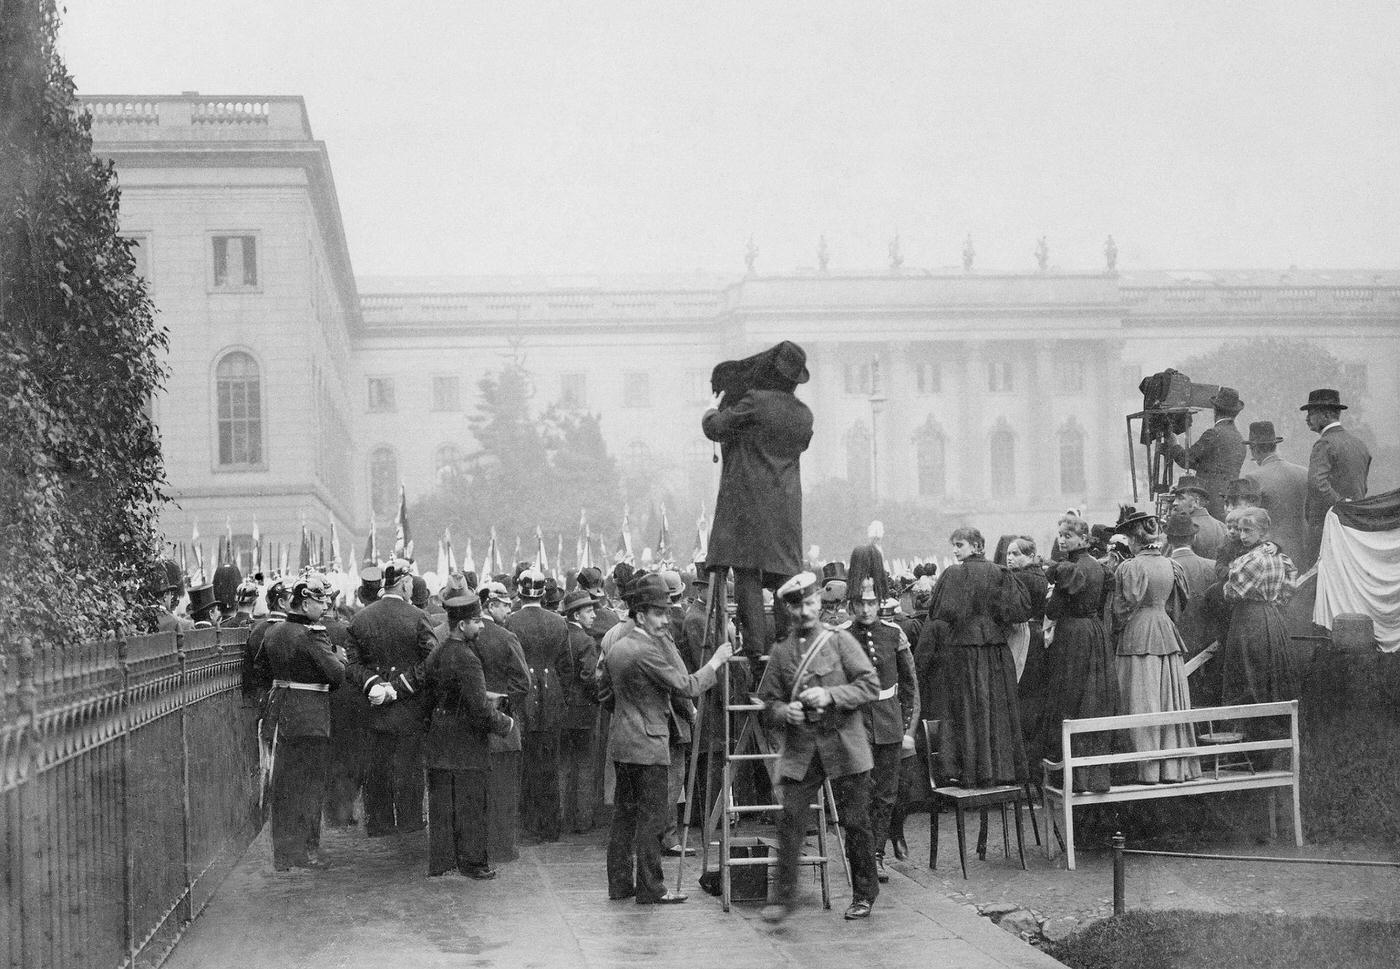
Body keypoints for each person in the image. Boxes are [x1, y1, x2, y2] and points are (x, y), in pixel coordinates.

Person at [597, 573, 731, 905]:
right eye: (658, 613)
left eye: (666, 612)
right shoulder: (648, 650)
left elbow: (605, 694)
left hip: (623, 743)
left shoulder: (618, 647)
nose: (665, 619)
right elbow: (687, 686)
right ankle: (652, 888)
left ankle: (620, 885)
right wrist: (716, 661)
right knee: (652, 819)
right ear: (641, 615)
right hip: (650, 745)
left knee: (624, 817)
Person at [758, 572, 880, 922]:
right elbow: (767, 704)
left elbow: (870, 685)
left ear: (818, 601)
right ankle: (784, 898)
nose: (805, 612)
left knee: (856, 822)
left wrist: (830, 694)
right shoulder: (781, 652)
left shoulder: (839, 641)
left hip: (844, 743)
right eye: (798, 606)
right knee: (790, 819)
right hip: (803, 750)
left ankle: (864, 894)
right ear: (789, 610)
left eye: (810, 603)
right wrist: (786, 712)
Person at [702, 340, 814, 657]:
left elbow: (716, 428)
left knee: (748, 575)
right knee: (785, 580)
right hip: (786, 510)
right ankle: (787, 650)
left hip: (748, 506)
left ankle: (755, 653)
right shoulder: (804, 414)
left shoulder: (755, 401)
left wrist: (710, 409)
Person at [921, 527, 1030, 787]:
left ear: (977, 546)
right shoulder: (1001, 573)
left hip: (963, 651)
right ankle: (999, 770)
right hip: (995, 651)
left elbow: (938, 611)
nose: (955, 550)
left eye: (959, 545)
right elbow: (1019, 611)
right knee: (995, 708)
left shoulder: (954, 574)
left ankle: (970, 770)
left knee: (967, 708)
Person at [422, 594, 514, 879]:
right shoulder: (468, 658)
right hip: (467, 741)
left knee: (443, 805)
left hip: (440, 737)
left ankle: (442, 863)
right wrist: (506, 723)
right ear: (462, 625)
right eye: (476, 621)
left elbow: (437, 692)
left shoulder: (439, 651)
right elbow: (479, 709)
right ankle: (474, 863)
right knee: (471, 803)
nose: (481, 626)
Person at [345, 559, 437, 836]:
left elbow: (351, 664)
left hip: (373, 708)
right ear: (406, 584)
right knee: (409, 768)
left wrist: (373, 684)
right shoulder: (419, 617)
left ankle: (380, 823)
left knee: (376, 769)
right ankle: (410, 821)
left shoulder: (360, 618)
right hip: (410, 708)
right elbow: (432, 661)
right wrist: (399, 687)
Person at [1110, 511, 1199, 784]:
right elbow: (1177, 606)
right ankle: (1171, 767)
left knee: (1142, 698)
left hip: (1138, 634)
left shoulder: (1130, 567)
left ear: (1134, 539)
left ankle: (1145, 770)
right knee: (1167, 699)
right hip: (1165, 630)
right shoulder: (1172, 566)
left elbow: (1122, 608)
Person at [263, 573, 345, 870]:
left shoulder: (273, 632)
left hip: (281, 714)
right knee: (310, 786)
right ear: (305, 602)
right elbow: (336, 675)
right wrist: (339, 657)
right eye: (321, 601)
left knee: (284, 787)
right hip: (310, 718)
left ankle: (283, 855)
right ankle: (306, 852)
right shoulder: (312, 635)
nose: (325, 606)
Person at [1031, 517, 1118, 794]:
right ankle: (1093, 776)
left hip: (1073, 636)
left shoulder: (1069, 569)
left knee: (1070, 697)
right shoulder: (1098, 567)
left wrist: (1050, 602)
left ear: (1084, 539)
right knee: (1093, 698)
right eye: (1060, 534)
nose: (1062, 539)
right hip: (1095, 633)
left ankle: (1073, 778)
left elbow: (1054, 610)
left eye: (1068, 535)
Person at [840, 575, 917, 884]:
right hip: (855, 724)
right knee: (857, 794)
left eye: (871, 602)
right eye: (861, 603)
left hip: (888, 722)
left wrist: (907, 727)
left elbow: (910, 685)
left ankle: (876, 855)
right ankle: (857, 853)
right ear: (852, 605)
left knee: (885, 795)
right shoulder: (841, 636)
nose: (866, 609)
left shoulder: (894, 634)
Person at [503, 567, 572, 843]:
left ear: (519, 593)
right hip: (551, 694)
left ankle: (528, 825)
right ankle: (550, 825)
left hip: (522, 697)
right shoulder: (558, 622)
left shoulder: (510, 621)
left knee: (525, 763)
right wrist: (561, 696)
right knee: (549, 762)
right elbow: (566, 667)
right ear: (543, 594)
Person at [1221, 507, 1300, 712]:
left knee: (1248, 673)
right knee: (1270, 671)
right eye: (1240, 530)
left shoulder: (1254, 560)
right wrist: (1275, 601)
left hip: (1248, 620)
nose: (1242, 536)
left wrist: (1227, 587)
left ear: (1263, 533)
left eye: (1248, 531)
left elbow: (1231, 592)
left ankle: (1251, 722)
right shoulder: (1280, 557)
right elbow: (1290, 586)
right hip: (1272, 618)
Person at [477, 581, 532, 862]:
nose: (509, 611)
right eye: (505, 605)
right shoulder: (506, 638)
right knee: (503, 791)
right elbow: (523, 684)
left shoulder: (461, 636)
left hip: (469, 730)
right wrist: (500, 700)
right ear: (491, 605)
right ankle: (502, 848)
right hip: (502, 729)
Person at [1302, 388, 1371, 567]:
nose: (1307, 419)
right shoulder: (1359, 445)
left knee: (1319, 576)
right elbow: (1362, 487)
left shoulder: (1324, 443)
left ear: (1326, 415)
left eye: (1311, 413)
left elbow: (1317, 483)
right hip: (1354, 526)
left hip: (1326, 525)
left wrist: (1339, 504)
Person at [558, 589, 601, 835]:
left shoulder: (559, 636)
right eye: (589, 611)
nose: (593, 615)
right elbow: (589, 678)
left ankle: (560, 818)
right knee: (585, 766)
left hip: (561, 710)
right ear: (576, 614)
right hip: (583, 712)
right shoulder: (586, 641)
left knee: (562, 765)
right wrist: (599, 698)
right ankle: (583, 820)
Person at [1241, 421, 1310, 570]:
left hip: (1272, 556)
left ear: (1254, 449)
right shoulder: (1304, 473)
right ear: (1274, 446)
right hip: (1303, 552)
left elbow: (1250, 522)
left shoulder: (1253, 477)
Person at [1170, 387, 1247, 520]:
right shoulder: (1239, 439)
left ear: (1215, 410)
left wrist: (1174, 444)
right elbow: (1212, 465)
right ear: (1235, 413)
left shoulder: (1213, 434)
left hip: (1208, 503)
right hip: (1228, 504)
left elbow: (1185, 460)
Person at [1171, 476, 1228, 560]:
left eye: (1181, 498)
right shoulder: (1222, 526)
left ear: (1196, 502)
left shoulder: (1182, 527)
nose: (1174, 503)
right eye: (1175, 498)